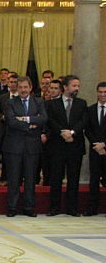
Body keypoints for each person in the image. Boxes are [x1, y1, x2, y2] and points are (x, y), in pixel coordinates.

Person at [3, 76, 48, 217]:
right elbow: (11, 121)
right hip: (14, 147)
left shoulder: (39, 102)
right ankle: (12, 207)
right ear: (17, 88)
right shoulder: (10, 103)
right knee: (14, 179)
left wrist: (25, 119)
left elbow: (43, 118)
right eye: (20, 87)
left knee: (30, 179)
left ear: (30, 88)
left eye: (25, 87)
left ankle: (29, 208)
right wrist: (32, 126)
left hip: (32, 147)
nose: (23, 90)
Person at [46, 75, 87, 216]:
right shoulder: (52, 104)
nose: (77, 88)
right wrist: (62, 132)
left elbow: (83, 121)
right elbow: (50, 121)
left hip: (75, 146)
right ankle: (54, 207)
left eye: (78, 86)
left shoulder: (82, 103)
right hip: (57, 146)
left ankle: (72, 208)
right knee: (56, 178)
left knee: (73, 178)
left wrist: (72, 132)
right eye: (74, 85)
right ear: (65, 87)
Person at [84, 82, 106, 215]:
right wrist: (96, 145)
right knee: (94, 180)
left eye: (105, 92)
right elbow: (87, 130)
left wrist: (104, 144)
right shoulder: (90, 109)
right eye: (100, 92)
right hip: (95, 150)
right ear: (97, 92)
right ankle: (92, 208)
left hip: (105, 148)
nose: (102, 94)